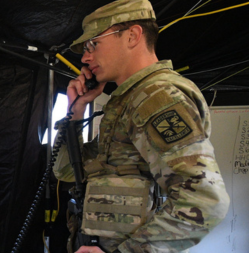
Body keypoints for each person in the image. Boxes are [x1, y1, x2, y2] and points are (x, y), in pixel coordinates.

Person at [53, 0, 230, 252]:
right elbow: (67, 172)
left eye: (93, 43)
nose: (85, 56)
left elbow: (205, 200)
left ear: (132, 35)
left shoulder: (156, 97)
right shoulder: (128, 101)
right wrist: (76, 111)